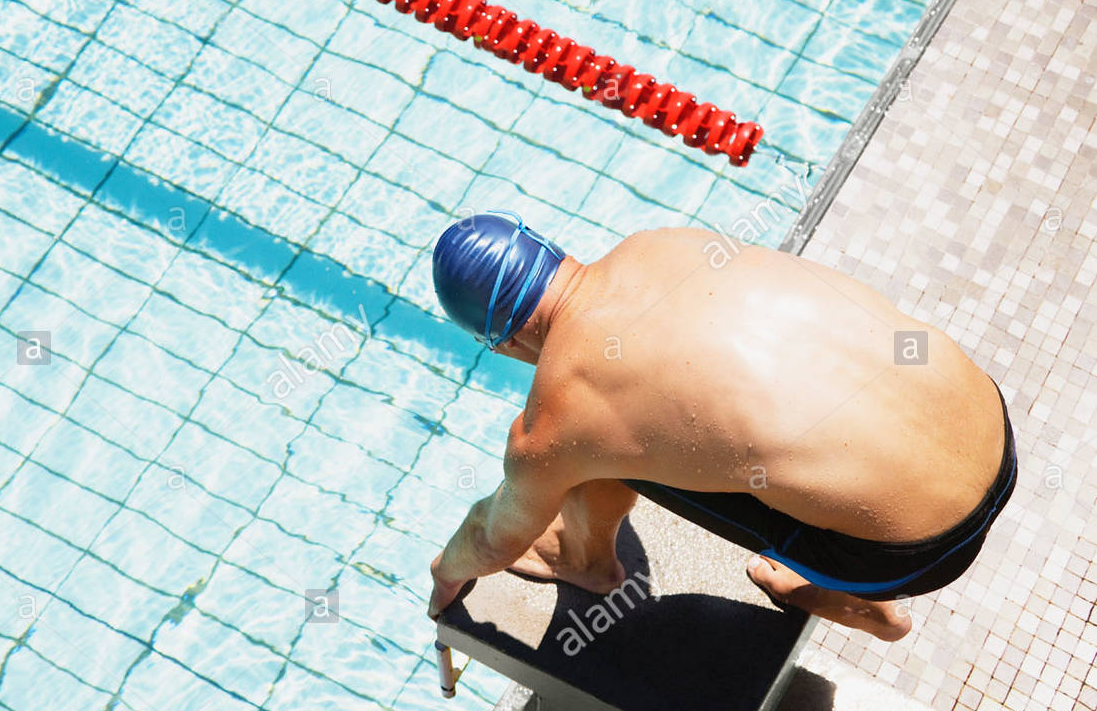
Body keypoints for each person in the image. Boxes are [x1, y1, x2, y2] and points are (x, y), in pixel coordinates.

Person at [426, 212, 1016, 641]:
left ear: (501, 344)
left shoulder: (555, 415)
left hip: (917, 552)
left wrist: (445, 574)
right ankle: (819, 559)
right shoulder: (655, 243)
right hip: (992, 423)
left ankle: (863, 606)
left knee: (579, 450)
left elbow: (493, 538)